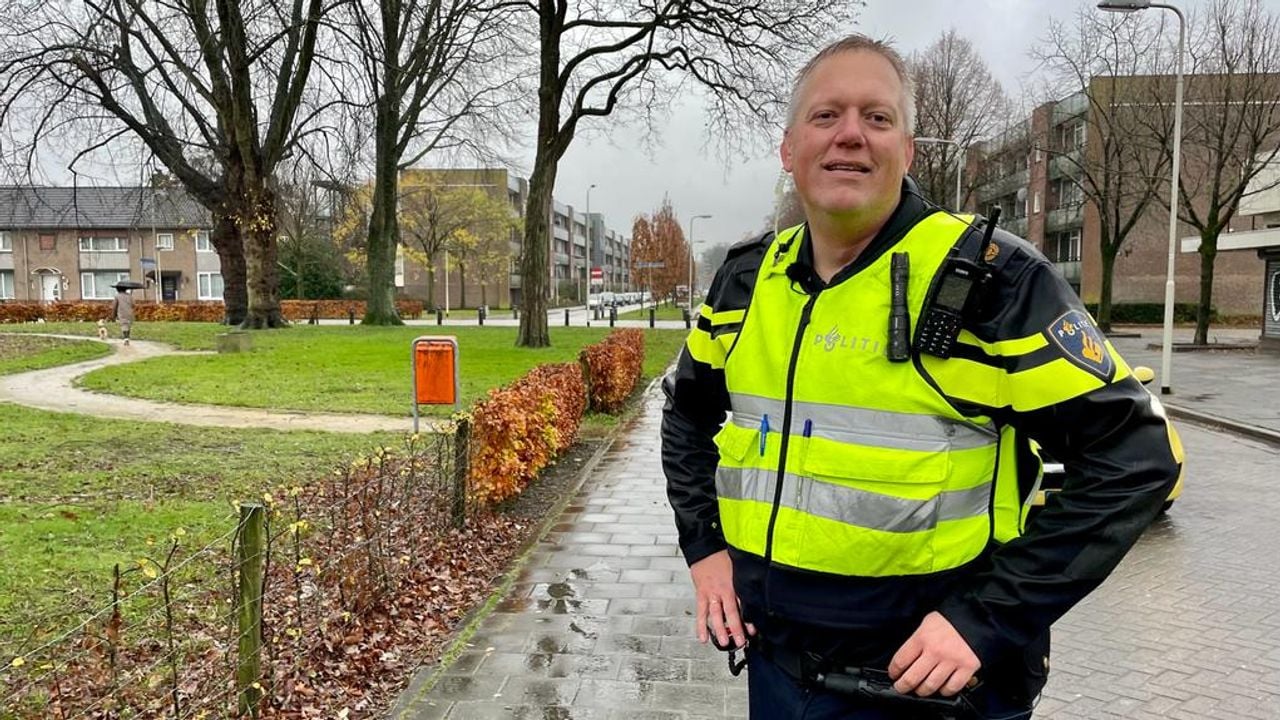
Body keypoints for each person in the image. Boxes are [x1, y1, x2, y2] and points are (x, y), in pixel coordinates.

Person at [661, 34, 1181, 719]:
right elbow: (687, 414)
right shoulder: (746, 279)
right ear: (789, 150)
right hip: (777, 667)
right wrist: (703, 547)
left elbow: (1138, 460)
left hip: (928, 692)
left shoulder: (993, 281)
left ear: (906, 152)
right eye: (826, 116)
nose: (850, 135)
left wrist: (987, 620)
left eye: (877, 118)